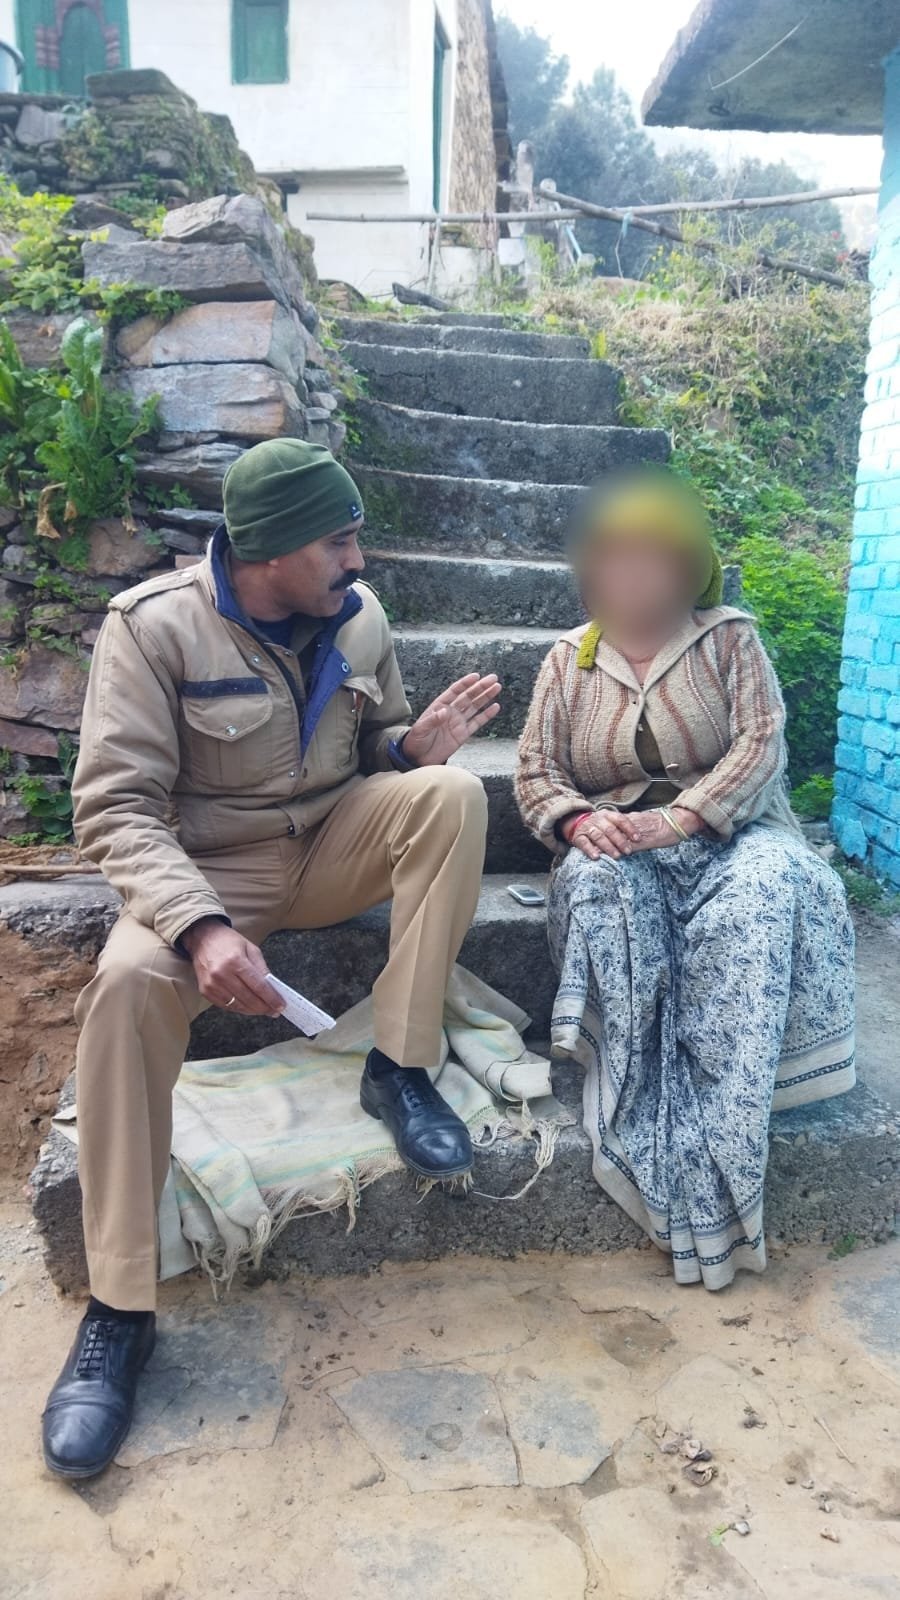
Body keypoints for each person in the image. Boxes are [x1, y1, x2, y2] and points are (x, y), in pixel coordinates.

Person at [42, 438, 500, 1479]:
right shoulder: (152, 628)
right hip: (211, 870)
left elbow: (373, 744)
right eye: (339, 541)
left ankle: (399, 1066)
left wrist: (409, 751)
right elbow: (114, 808)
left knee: (452, 794)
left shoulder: (358, 616)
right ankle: (120, 1308)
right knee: (126, 982)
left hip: (332, 842)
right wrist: (199, 927)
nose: (358, 560)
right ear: (271, 549)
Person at [515, 466, 855, 1292]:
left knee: (774, 883)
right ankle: (640, 1098)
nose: (632, 578)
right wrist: (578, 822)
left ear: (687, 570)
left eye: (652, 560)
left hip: (731, 838)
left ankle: (728, 1121)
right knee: (601, 890)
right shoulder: (567, 661)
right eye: (615, 561)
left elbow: (761, 744)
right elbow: (534, 772)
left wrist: (681, 819)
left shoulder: (730, 639)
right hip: (619, 849)